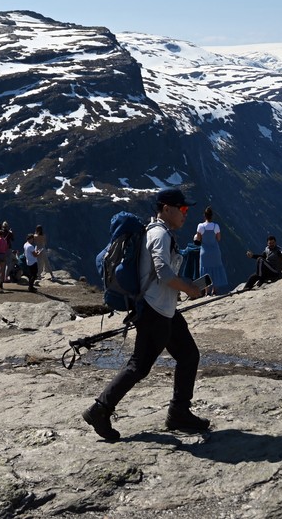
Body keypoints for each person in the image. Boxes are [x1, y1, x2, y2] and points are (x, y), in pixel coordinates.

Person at [82, 188, 210, 441]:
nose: (186, 214)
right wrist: (189, 288)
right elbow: (163, 272)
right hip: (155, 311)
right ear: (166, 209)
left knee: (188, 355)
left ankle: (179, 412)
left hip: (164, 310)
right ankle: (100, 409)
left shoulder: (157, 232)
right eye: (183, 209)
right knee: (139, 365)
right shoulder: (159, 234)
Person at [196, 207, 228, 294]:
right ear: (212, 216)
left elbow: (198, 239)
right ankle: (215, 291)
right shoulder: (216, 226)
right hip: (215, 252)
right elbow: (218, 238)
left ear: (204, 216)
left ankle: (207, 292)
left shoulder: (200, 226)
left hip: (205, 252)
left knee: (205, 271)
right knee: (216, 269)